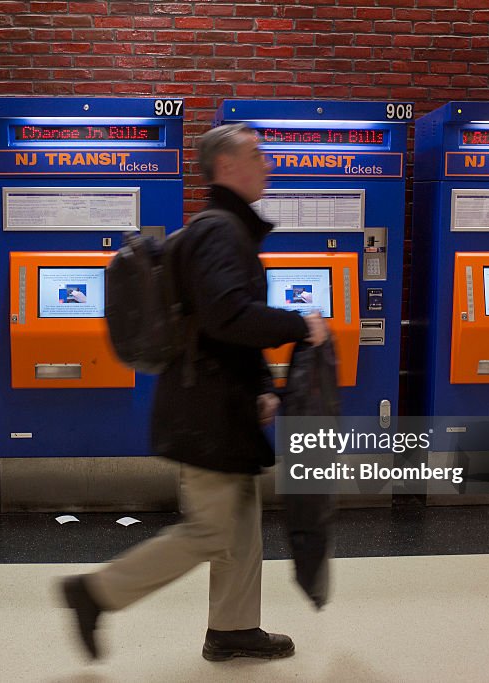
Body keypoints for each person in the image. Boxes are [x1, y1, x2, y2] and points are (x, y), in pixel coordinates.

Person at [61, 124, 328, 661]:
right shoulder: (219, 232)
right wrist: (301, 325)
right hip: (205, 411)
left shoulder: (222, 230)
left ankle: (233, 629)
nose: (267, 165)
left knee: (242, 524)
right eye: (257, 155)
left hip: (219, 403)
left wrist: (261, 385)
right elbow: (230, 315)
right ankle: (95, 593)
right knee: (212, 530)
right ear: (226, 166)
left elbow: (214, 324)